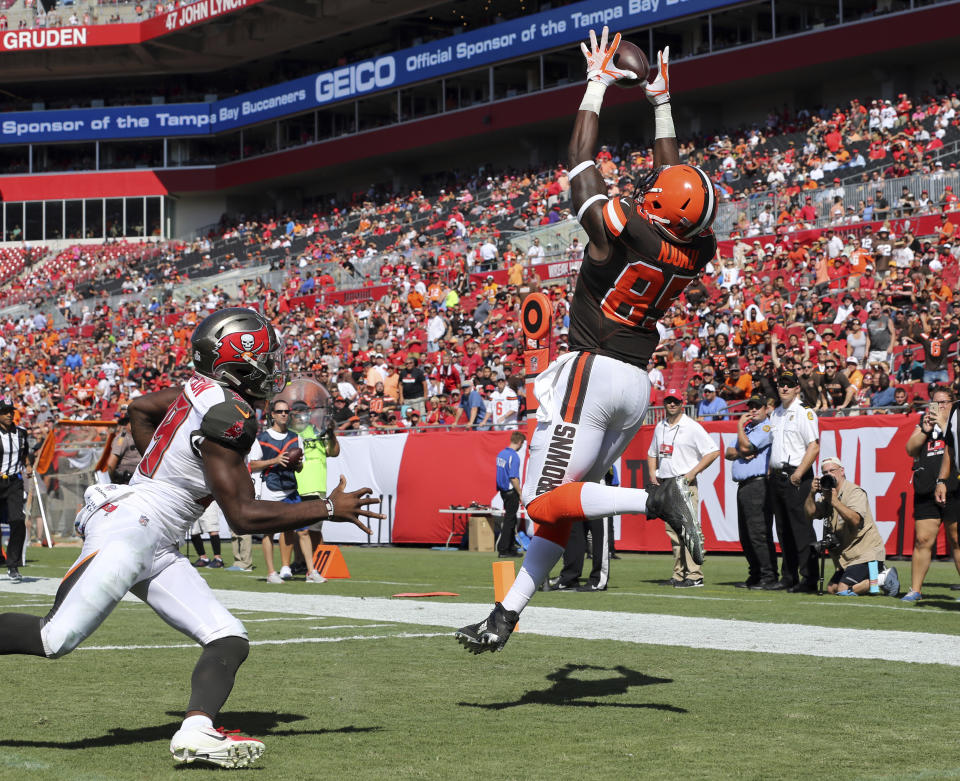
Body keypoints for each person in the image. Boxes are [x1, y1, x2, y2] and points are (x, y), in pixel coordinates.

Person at [0, 307, 382, 768]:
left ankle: (197, 730)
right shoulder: (232, 413)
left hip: (156, 535)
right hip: (136, 528)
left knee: (228, 638)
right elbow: (241, 516)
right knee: (54, 638)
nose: (273, 367)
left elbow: (140, 407)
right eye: (265, 357)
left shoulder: (201, 390)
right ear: (237, 361)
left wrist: (163, 470)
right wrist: (326, 508)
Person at [457, 29, 715, 653]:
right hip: (635, 383)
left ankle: (656, 498)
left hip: (592, 373)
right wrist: (660, 101)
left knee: (539, 503)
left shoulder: (618, 235)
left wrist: (597, 83)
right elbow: (671, 176)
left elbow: (579, 165)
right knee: (564, 506)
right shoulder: (694, 249)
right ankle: (506, 614)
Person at [647, 387, 720, 587]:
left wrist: (692, 473)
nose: (672, 404)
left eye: (676, 401)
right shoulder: (660, 426)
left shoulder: (691, 426)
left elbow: (713, 451)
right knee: (674, 533)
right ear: (664, 403)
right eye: (669, 400)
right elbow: (652, 452)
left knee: (689, 531)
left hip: (683, 482)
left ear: (682, 404)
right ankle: (679, 574)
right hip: (666, 483)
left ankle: (695, 575)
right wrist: (653, 474)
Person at [249, 399, 324, 584]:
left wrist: (296, 463)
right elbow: (252, 464)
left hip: (291, 489)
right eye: (280, 411)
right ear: (272, 415)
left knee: (303, 531)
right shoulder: (262, 438)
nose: (284, 414)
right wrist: (274, 460)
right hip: (270, 489)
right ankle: (271, 573)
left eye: (286, 411)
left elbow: (299, 468)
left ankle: (311, 571)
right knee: (269, 533)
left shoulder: (295, 437)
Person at [805, 457, 899, 596]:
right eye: (825, 472)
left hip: (866, 553)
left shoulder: (854, 492)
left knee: (843, 589)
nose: (829, 474)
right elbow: (810, 513)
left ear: (842, 471)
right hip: (848, 556)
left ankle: (881, 577)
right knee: (832, 589)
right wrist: (812, 494)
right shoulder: (827, 494)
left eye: (832, 470)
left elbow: (855, 520)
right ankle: (875, 577)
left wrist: (835, 502)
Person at [902, 387, 960, 602]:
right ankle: (915, 589)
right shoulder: (925, 421)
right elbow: (910, 449)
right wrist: (925, 429)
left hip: (954, 486)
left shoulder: (956, 421)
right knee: (922, 539)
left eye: (944, 402)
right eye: (935, 403)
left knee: (956, 539)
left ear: (953, 403)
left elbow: (953, 442)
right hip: (926, 486)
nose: (939, 407)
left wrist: (944, 423)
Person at [768, 369, 820, 592]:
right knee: (783, 530)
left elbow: (814, 445)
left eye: (789, 384)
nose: (785, 388)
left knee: (801, 529)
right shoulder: (776, 413)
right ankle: (788, 576)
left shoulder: (804, 412)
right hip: (778, 475)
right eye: (781, 384)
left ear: (797, 388)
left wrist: (799, 473)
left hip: (797, 475)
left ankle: (809, 578)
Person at [725, 396, 780, 589]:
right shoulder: (750, 429)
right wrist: (741, 451)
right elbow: (728, 452)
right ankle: (756, 574)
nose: (754, 410)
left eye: (758, 407)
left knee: (758, 532)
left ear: (767, 409)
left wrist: (740, 428)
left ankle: (768, 576)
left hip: (758, 484)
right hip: (744, 485)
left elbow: (747, 446)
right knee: (746, 534)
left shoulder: (766, 427)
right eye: (751, 407)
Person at [289, 399, 340, 559]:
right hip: (294, 486)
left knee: (315, 529)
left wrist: (331, 434)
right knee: (296, 529)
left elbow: (334, 452)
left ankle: (319, 562)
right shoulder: (289, 433)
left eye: (302, 412)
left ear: (307, 414)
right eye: (296, 412)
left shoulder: (318, 431)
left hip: (315, 486)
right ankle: (299, 562)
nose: (299, 415)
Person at [0, 401, 32, 582]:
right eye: (5, 412)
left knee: (18, 521)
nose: (9, 415)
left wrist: (27, 465)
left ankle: (12, 565)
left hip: (14, 482)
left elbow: (24, 452)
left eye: (10, 412)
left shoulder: (21, 433)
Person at [495, 431, 525, 558]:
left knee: (510, 519)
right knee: (510, 520)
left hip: (502, 490)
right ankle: (503, 549)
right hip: (511, 491)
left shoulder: (501, 453)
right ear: (519, 442)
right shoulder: (514, 456)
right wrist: (520, 493)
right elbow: (513, 477)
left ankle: (510, 547)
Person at [105, 413, 140, 484]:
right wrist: (113, 480)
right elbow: (111, 464)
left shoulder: (138, 437)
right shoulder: (122, 438)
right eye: (133, 421)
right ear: (127, 423)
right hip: (125, 481)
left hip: (138, 480)